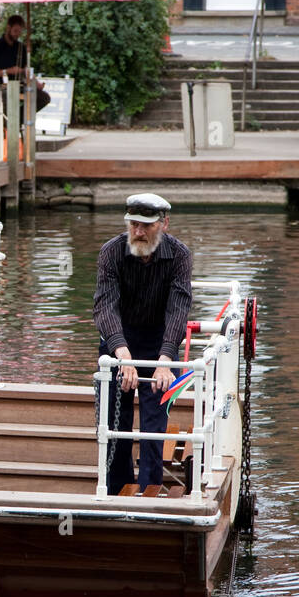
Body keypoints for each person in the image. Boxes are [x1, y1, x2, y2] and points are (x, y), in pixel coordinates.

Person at [93, 193, 193, 495]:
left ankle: (150, 489)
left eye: (146, 226)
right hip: (118, 342)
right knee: (114, 423)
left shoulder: (179, 256)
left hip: (160, 342)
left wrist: (165, 360)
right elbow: (104, 306)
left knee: (154, 424)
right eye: (133, 224)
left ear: (164, 224)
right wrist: (122, 356)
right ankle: (114, 489)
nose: (138, 232)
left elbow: (178, 308)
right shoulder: (110, 253)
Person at [0, 15, 51, 114]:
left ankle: (19, 121)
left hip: (19, 85)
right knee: (7, 97)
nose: (17, 35)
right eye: (15, 31)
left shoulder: (21, 48)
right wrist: (8, 71)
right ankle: (9, 123)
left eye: (20, 32)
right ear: (8, 28)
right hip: (1, 87)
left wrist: (37, 83)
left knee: (43, 98)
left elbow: (26, 69)